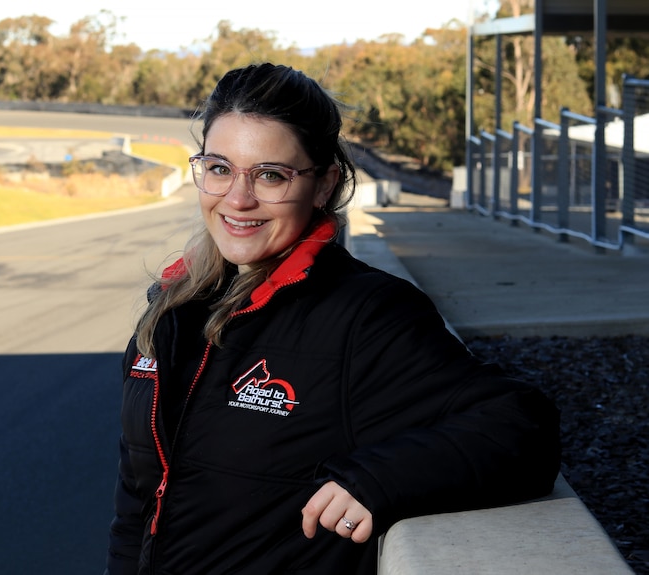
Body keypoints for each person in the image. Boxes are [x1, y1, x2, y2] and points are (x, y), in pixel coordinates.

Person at [105, 62, 560, 574]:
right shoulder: (170, 308)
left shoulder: (366, 315)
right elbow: (136, 503)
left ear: (324, 184)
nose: (238, 198)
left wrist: (380, 478)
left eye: (271, 175)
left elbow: (522, 426)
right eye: (219, 168)